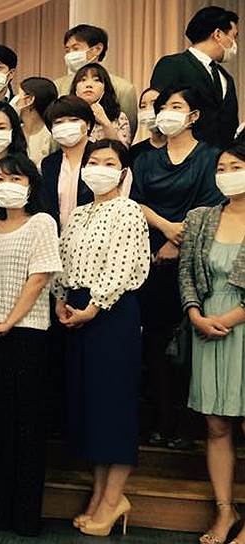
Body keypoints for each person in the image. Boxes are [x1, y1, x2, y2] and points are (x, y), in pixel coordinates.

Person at [54, 139, 150, 537]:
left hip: (111, 312)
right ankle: (97, 495)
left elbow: (122, 267)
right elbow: (63, 260)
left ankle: (114, 499)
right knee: (90, 407)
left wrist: (94, 307)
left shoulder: (128, 211)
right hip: (77, 307)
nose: (99, 168)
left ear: (123, 173)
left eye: (109, 163)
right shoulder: (78, 213)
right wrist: (60, 298)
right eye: (93, 161)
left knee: (114, 405)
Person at [0, 153, 62, 536]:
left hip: (26, 334)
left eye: (17, 179)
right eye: (1, 179)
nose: (8, 185)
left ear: (31, 186)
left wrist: (9, 321)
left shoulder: (42, 223)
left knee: (24, 424)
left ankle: (21, 515)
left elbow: (39, 278)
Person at [131, 86, 224, 450]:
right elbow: (136, 201)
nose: (166, 112)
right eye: (162, 107)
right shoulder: (145, 160)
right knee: (155, 344)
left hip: (193, 257)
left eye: (175, 106)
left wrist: (176, 241)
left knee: (187, 345)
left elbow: (210, 205)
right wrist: (164, 229)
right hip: (150, 258)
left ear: (193, 116)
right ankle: (161, 419)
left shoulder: (210, 157)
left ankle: (188, 425)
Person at [181, 141, 245, 544]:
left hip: (239, 323)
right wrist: (195, 314)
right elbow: (186, 273)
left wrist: (233, 317)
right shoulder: (202, 217)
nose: (226, 174)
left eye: (235, 167)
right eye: (221, 168)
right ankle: (225, 511)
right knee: (216, 424)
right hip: (206, 325)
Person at [150, 6, 239, 148]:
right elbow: (159, 110)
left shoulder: (226, 78)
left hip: (223, 156)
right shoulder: (173, 64)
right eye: (233, 36)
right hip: (184, 155)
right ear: (218, 34)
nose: (234, 44)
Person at [55, 24, 138, 130]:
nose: (70, 55)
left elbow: (128, 130)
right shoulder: (58, 85)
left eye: (76, 49)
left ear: (98, 49)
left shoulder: (123, 88)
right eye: (67, 50)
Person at [40, 96, 97, 228]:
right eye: (59, 122)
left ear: (88, 124)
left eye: (74, 120)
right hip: (58, 236)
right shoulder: (49, 163)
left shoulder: (101, 157)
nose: (66, 126)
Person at [71, 63, 131, 145]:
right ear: (75, 88)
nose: (89, 85)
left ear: (105, 88)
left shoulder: (119, 117)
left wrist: (105, 122)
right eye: (83, 80)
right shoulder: (67, 116)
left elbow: (121, 150)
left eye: (96, 80)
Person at [13, 77, 58, 166]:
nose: (15, 99)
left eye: (19, 94)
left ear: (29, 100)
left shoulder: (52, 136)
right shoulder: (13, 132)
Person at [130, 88, 167, 162]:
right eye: (143, 106)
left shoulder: (178, 149)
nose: (148, 110)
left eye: (154, 104)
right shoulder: (135, 152)